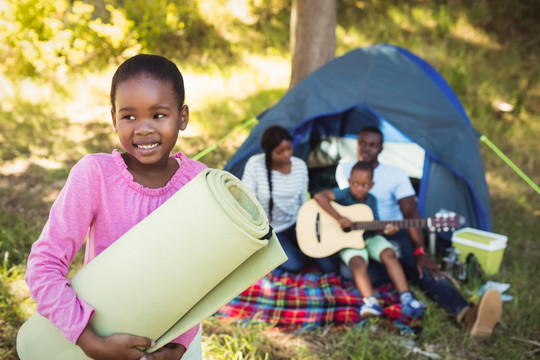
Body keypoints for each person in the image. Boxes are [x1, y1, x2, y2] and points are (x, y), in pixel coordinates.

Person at [25, 54, 204, 359]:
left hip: (176, 339)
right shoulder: (94, 175)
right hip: (98, 335)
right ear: (113, 118)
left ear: (182, 117)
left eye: (159, 115)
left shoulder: (201, 184)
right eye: (129, 116)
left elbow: (206, 273)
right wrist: (89, 340)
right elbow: (44, 266)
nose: (143, 129)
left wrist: (179, 345)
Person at [335, 126, 502, 337]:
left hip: (390, 233)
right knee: (350, 270)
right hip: (359, 238)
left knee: (421, 268)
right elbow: (341, 204)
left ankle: (466, 313)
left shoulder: (394, 174)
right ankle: (401, 275)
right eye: (362, 144)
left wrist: (420, 251)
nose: (366, 149)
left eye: (372, 145)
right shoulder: (344, 168)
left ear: (381, 148)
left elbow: (410, 213)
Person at [314, 161, 426, 318]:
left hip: (370, 237)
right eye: (355, 184)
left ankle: (406, 297)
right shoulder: (344, 194)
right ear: (348, 181)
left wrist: (387, 229)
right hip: (349, 242)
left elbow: (376, 224)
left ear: (371, 185)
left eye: (364, 185)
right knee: (357, 262)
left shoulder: (372, 200)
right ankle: (371, 302)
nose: (359, 188)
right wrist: (339, 218)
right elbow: (320, 196)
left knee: (389, 254)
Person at [242, 125, 339, 273]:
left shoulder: (299, 166)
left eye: (289, 148)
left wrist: (308, 227)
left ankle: (296, 250)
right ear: (268, 152)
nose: (287, 154)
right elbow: (246, 198)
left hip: (295, 223)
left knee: (328, 265)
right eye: (279, 152)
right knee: (296, 265)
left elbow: (302, 199)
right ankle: (272, 251)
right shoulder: (255, 164)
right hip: (271, 230)